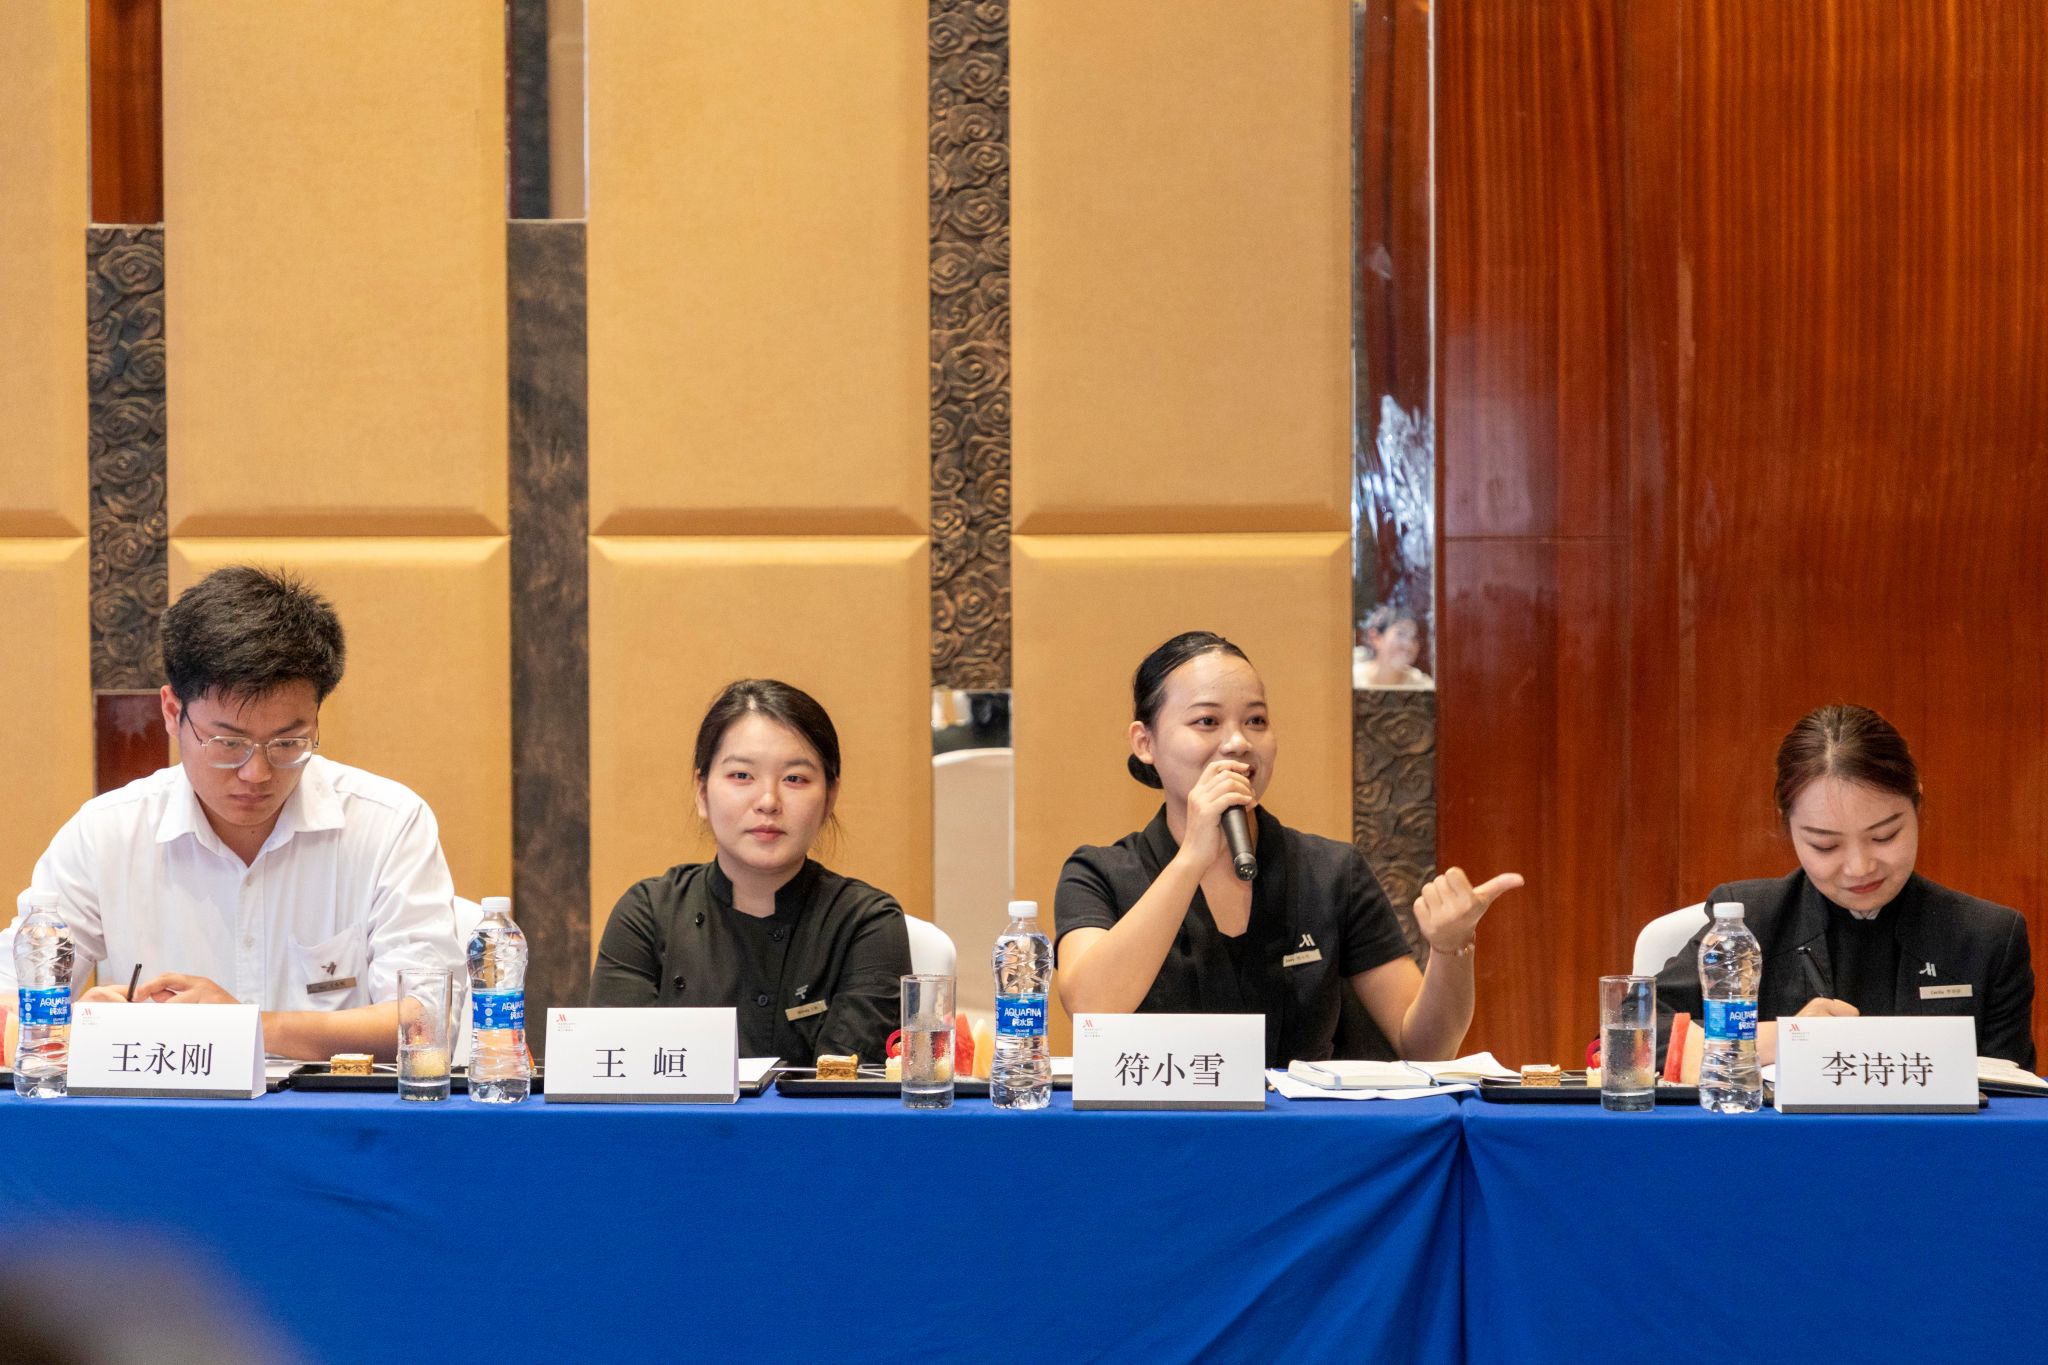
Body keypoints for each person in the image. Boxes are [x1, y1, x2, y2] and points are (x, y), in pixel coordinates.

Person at [0, 566, 463, 1061]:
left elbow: (427, 1019)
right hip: (163, 1110)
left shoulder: (387, 823)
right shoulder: (107, 834)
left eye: (288, 742)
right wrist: (79, 1026)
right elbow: (10, 997)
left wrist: (242, 1027)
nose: (256, 773)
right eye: (227, 743)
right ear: (172, 712)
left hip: (330, 1109)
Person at [1054, 630, 1523, 1066]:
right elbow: (1092, 1009)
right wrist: (1192, 859)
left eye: (1256, 721)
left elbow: (1425, 1050)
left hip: (1306, 1128)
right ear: (1145, 743)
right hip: (1159, 1127)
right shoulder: (1098, 873)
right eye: (1207, 721)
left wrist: (1450, 948)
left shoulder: (1331, 872)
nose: (1238, 742)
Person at [1654, 704, 2035, 1069]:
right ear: (1789, 826)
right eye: (1826, 845)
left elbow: (2013, 1093)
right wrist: (1783, 1039)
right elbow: (1636, 1032)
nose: (1859, 868)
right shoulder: (1750, 922)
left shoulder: (1987, 939)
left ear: (1917, 803)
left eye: (1884, 836)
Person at [589, 679, 911, 1064]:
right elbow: (620, 1071)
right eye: (742, 775)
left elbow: (841, 1086)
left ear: (830, 797)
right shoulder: (648, 914)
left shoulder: (866, 922)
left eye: (795, 778)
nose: (768, 801)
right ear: (702, 791)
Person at [1353, 603, 1434, 691]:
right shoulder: (1352, 679)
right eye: (1401, 634)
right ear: (1376, 638)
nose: (1408, 644)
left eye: (1413, 638)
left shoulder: (1422, 686)